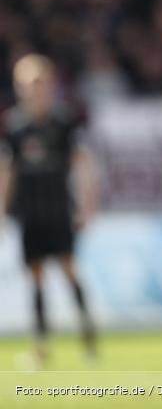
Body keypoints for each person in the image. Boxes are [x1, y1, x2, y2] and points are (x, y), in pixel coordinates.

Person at [0, 54, 99, 366]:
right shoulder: (15, 125)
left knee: (69, 269)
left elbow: (82, 164)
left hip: (58, 209)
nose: (34, 90)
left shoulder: (63, 121)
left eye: (39, 83)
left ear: (50, 85)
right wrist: (2, 209)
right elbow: (8, 171)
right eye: (28, 85)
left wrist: (86, 205)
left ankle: (88, 336)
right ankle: (41, 346)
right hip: (29, 211)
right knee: (35, 276)